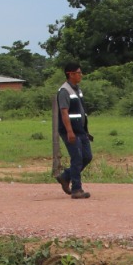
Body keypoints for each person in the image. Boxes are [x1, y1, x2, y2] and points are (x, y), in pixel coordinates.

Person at [55, 62, 93, 199]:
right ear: (70, 74)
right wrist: (69, 131)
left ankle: (65, 176)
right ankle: (77, 189)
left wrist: (85, 130)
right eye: (78, 73)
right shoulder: (64, 91)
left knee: (87, 156)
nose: (80, 75)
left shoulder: (77, 89)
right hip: (70, 131)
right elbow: (64, 113)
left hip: (80, 130)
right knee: (77, 158)